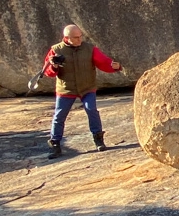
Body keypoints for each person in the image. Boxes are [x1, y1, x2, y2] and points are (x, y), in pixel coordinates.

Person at [43, 24, 123, 159]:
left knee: (91, 110)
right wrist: (54, 65)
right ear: (66, 37)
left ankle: (98, 139)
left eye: (80, 36)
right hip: (66, 89)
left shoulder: (89, 49)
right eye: (76, 37)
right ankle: (55, 144)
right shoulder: (56, 50)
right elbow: (48, 72)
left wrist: (114, 66)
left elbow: (103, 62)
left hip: (87, 87)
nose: (79, 40)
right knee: (59, 115)